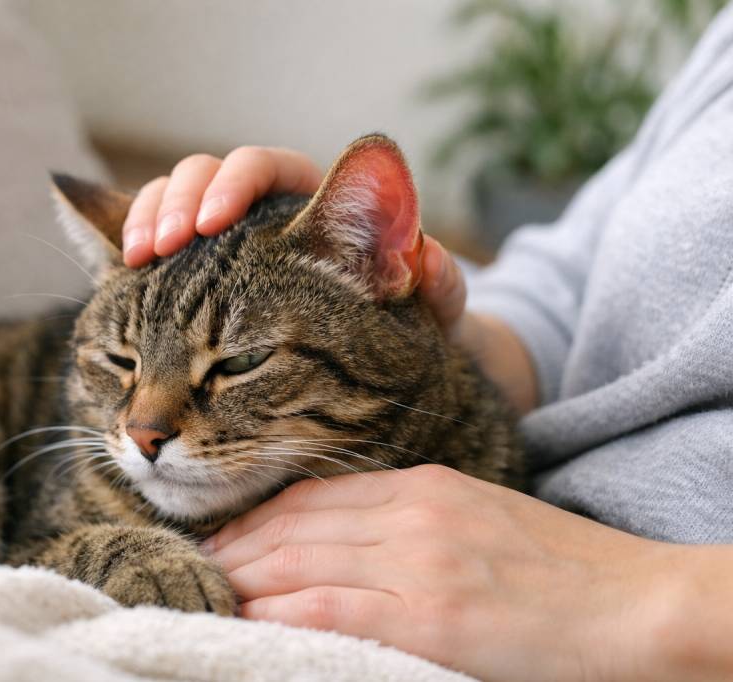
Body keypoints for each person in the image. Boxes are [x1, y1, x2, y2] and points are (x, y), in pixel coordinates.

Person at [118, 6, 733, 681]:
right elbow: (571, 296)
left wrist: (636, 599)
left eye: (236, 361)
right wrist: (392, 304)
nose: (147, 427)